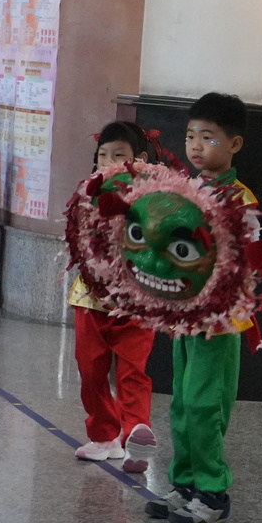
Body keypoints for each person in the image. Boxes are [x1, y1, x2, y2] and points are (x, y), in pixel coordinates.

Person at [142, 93, 259, 523]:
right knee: (182, 402)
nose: (195, 145)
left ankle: (213, 492)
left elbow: (239, 258)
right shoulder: (186, 189)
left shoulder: (239, 198)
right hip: (185, 316)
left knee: (205, 403)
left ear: (235, 145)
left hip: (220, 320)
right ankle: (185, 483)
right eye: (191, 135)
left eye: (208, 137)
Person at [70, 123, 160, 468]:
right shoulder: (87, 193)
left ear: (137, 159)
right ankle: (104, 435)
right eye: (102, 155)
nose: (107, 162)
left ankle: (136, 435)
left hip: (137, 302)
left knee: (133, 371)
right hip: (90, 299)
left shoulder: (154, 198)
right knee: (90, 368)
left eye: (117, 155)